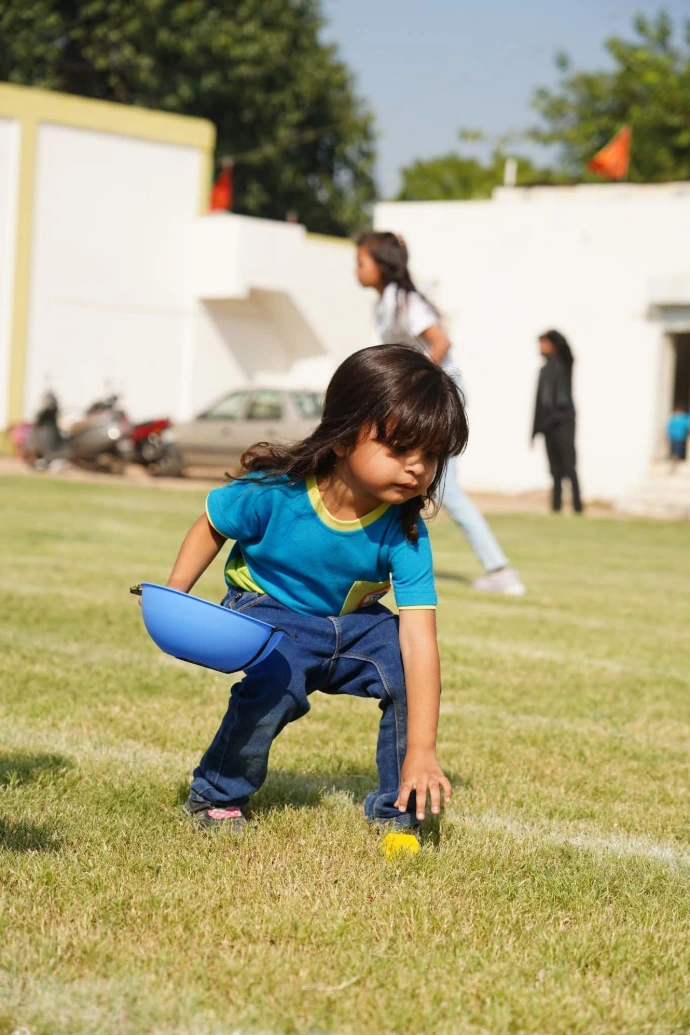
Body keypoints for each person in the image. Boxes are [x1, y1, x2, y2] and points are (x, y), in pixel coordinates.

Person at [165, 345, 467, 832]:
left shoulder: (406, 532)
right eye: (400, 448)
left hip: (349, 628)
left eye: (431, 455)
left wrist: (424, 750)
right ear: (345, 437)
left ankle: (398, 808)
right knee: (275, 682)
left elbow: (418, 639)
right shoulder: (277, 490)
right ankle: (216, 794)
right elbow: (212, 524)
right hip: (269, 610)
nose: (418, 467)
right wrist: (177, 594)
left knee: (406, 670)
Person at [355, 231, 525, 596]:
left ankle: (500, 570)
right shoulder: (386, 301)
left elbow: (441, 341)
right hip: (424, 394)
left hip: (437, 395)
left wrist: (415, 381)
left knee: (446, 490)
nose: (357, 270)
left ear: (381, 265)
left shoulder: (405, 300)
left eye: (361, 262)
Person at [532, 329, 582, 514]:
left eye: (545, 343)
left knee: (569, 465)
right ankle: (556, 507)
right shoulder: (544, 370)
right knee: (554, 470)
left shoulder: (564, 364)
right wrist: (535, 429)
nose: (541, 348)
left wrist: (553, 334)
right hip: (548, 424)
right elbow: (538, 402)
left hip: (564, 421)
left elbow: (568, 352)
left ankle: (577, 507)